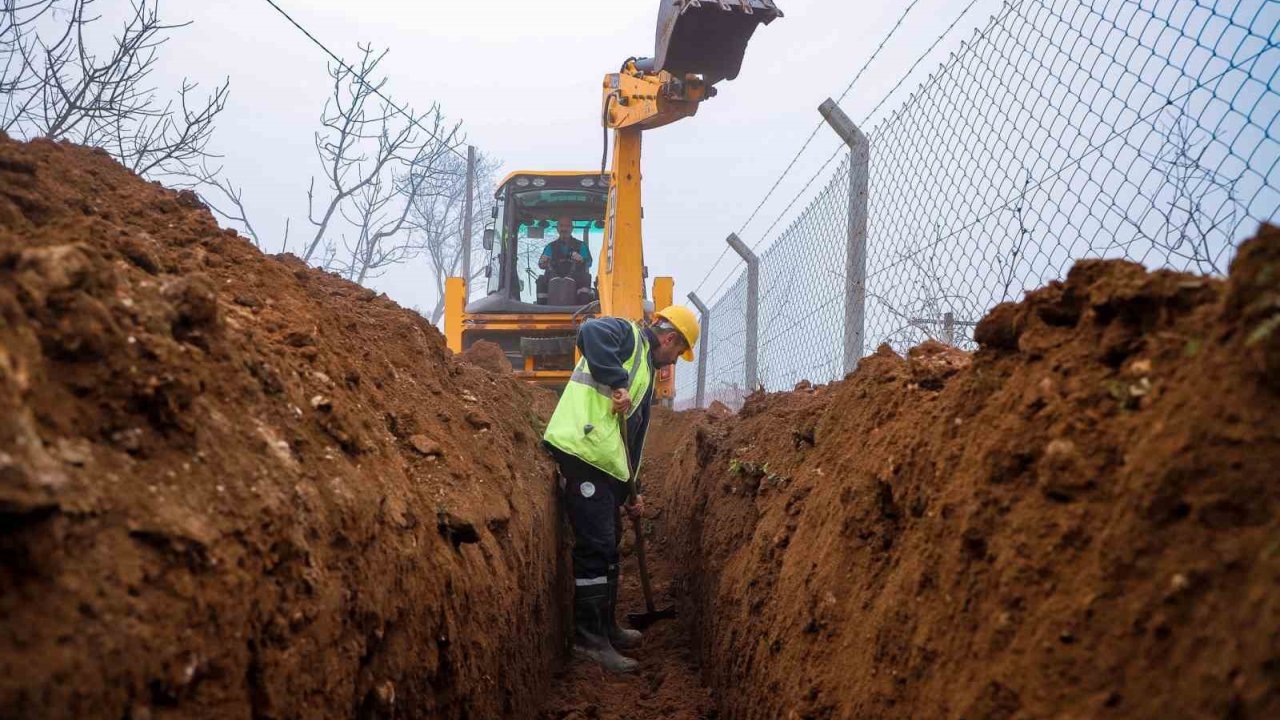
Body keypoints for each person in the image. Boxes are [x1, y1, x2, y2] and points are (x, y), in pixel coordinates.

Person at [542, 306, 701, 673]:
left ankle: (606, 628)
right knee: (595, 547)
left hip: (605, 464)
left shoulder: (644, 367)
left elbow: (635, 440)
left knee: (609, 544)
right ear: (669, 338)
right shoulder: (626, 336)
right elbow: (590, 332)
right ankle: (588, 639)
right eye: (677, 354)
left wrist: (633, 492)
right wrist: (617, 382)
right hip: (582, 451)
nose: (673, 361)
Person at [536, 216, 593, 304]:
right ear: (557, 228)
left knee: (585, 278)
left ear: (571, 228)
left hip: (576, 284)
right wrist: (543, 262)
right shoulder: (550, 247)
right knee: (541, 280)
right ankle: (541, 310)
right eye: (561, 226)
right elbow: (541, 264)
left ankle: (583, 308)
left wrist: (581, 260)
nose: (564, 229)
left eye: (567, 226)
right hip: (553, 282)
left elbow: (588, 262)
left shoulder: (581, 246)